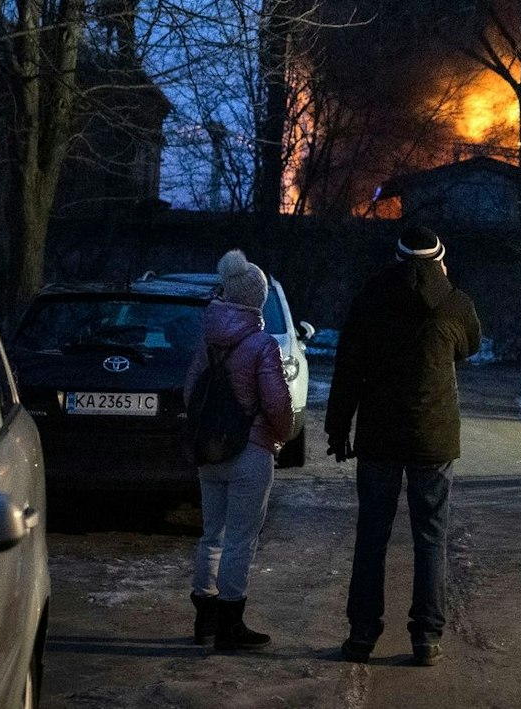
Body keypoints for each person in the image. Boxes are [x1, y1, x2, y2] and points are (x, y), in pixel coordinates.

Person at [325, 225, 482, 666]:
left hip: (378, 436)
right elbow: (468, 347)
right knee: (430, 537)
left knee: (371, 537)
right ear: (439, 259)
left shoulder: (370, 298)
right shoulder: (455, 302)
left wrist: (339, 427)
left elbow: (347, 368)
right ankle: (426, 637)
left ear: (395, 258)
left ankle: (362, 634)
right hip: (433, 437)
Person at [185, 249, 294, 651]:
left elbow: (190, 390)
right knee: (241, 540)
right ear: (257, 300)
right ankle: (231, 624)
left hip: (209, 451)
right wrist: (280, 436)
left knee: (211, 534)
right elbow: (278, 404)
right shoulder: (261, 344)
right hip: (250, 451)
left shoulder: (208, 339)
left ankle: (205, 620)